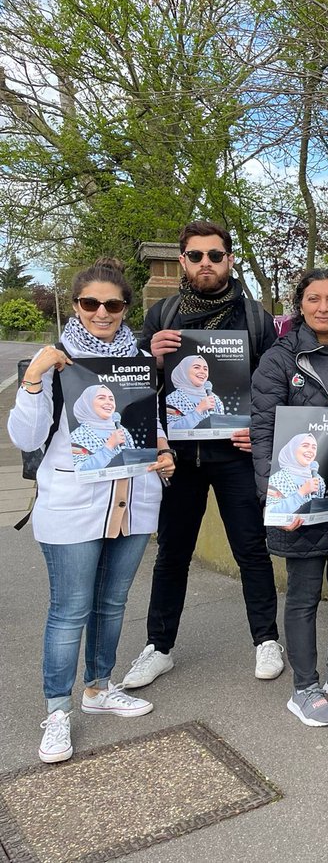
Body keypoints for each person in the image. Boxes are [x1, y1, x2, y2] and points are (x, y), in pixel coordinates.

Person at [9, 258, 176, 763]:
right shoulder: (57, 362)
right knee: (69, 610)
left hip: (132, 497)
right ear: (77, 305)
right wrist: (33, 380)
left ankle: (99, 688)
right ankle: (57, 711)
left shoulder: (139, 362)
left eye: (113, 304)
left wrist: (162, 448)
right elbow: (27, 437)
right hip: (74, 500)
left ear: (125, 308)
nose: (101, 313)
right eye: (90, 303)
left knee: (111, 604)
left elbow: (149, 421)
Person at [123, 221, 281, 690]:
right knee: (172, 553)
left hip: (234, 454)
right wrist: (149, 355)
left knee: (252, 549)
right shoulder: (161, 315)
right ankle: (159, 646)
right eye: (196, 256)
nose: (206, 264)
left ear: (230, 259)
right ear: (183, 261)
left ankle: (266, 639)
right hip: (178, 457)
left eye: (215, 255)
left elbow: (272, 386)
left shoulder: (255, 318)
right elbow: (132, 389)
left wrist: (259, 431)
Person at [250, 269, 328, 728]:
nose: (323, 307)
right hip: (300, 497)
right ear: (300, 305)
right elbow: (264, 432)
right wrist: (275, 498)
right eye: (314, 299)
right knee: (302, 594)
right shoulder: (278, 360)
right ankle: (304, 687)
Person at [69, 386, 135, 471]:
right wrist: (109, 446)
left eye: (111, 399)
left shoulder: (121, 430)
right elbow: (81, 470)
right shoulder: (78, 435)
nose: (108, 403)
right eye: (101, 398)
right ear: (87, 403)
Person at [266, 433, 325, 514]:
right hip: (284, 526)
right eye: (305, 446)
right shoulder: (278, 479)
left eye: (314, 447)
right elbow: (271, 513)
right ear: (292, 449)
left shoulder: (318, 479)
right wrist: (302, 492)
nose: (311, 451)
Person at [165, 355, 224, 428]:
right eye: (197, 367)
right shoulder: (173, 398)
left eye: (205, 369)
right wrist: (199, 410)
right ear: (184, 371)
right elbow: (172, 430)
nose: (202, 372)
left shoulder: (214, 398)